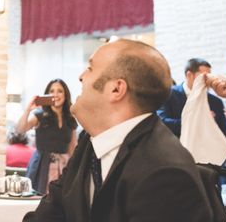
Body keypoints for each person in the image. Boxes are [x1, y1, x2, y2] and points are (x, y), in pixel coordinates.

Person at [25, 39, 213, 222]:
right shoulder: (89, 141)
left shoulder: (166, 172)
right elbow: (51, 211)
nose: (81, 76)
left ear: (116, 89)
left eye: (90, 68)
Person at [16, 79, 77, 193]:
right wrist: (28, 110)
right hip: (42, 165)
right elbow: (21, 129)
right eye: (52, 91)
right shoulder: (40, 115)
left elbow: (73, 147)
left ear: (65, 95)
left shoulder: (70, 119)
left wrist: (75, 169)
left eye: (60, 91)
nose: (55, 94)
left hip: (64, 166)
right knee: (39, 199)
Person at [157, 57, 226, 139]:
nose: (208, 81)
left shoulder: (216, 102)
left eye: (210, 77)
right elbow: (162, 123)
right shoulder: (168, 94)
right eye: (204, 77)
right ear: (189, 75)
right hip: (177, 149)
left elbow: (224, 135)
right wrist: (196, 121)